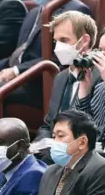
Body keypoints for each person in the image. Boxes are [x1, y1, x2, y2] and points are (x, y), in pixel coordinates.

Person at [0, 0, 90, 158]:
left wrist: (17, 71)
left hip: (42, 82)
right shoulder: (34, 11)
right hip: (22, 78)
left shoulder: (75, 11)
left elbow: (58, 58)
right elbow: (19, 54)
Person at [32, 11, 100, 144]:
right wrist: (36, 147)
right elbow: (48, 124)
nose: (58, 47)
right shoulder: (60, 78)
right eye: (56, 41)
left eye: (64, 40)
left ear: (84, 41)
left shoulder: (100, 78)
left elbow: (96, 127)